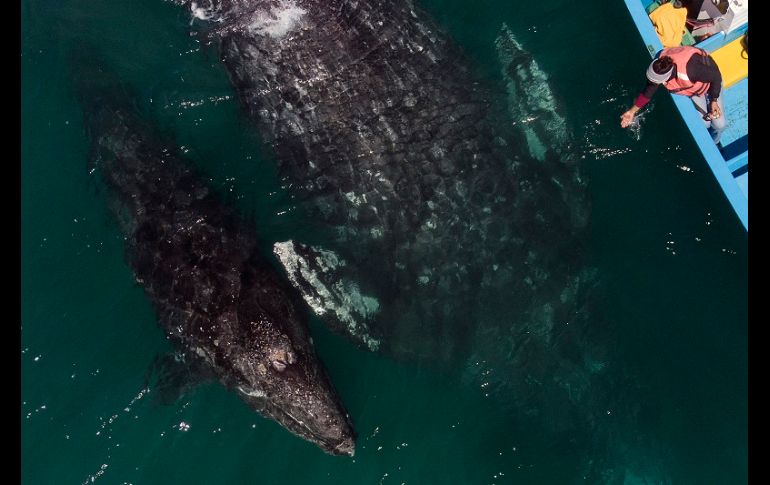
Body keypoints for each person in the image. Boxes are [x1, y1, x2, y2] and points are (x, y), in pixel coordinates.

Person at [620, 45, 727, 146]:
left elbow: (715, 76)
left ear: (664, 79)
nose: (652, 85)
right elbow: (648, 92)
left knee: (720, 125)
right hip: (694, 89)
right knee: (705, 124)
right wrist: (632, 112)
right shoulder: (661, 65)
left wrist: (713, 100)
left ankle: (715, 142)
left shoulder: (691, 70)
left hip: (711, 85)